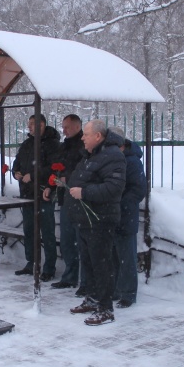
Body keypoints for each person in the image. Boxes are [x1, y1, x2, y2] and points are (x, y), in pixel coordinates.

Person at [68, 120, 126, 326]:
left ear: (98, 136)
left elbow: (114, 188)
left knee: (102, 265)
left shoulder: (113, 156)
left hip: (100, 220)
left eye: (86, 134)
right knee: (90, 263)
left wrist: (84, 192)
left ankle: (105, 308)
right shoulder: (92, 154)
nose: (82, 138)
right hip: (86, 220)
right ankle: (92, 299)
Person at [12, 114, 61, 281]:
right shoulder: (27, 144)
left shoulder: (52, 144)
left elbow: (53, 168)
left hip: (43, 194)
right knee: (29, 231)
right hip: (27, 194)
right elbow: (17, 162)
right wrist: (16, 172)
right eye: (29, 124)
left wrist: (32, 175)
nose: (30, 127)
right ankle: (31, 262)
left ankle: (49, 268)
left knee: (47, 232)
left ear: (42, 125)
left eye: (33, 124)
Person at [46, 114, 86, 290]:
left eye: (67, 127)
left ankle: (85, 280)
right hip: (65, 198)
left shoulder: (84, 146)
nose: (64, 130)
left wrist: (66, 177)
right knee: (67, 241)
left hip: (80, 199)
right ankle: (70, 277)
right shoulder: (64, 146)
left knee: (81, 241)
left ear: (78, 126)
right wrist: (52, 185)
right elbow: (56, 167)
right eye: (63, 127)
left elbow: (83, 171)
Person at [109, 127, 146, 308]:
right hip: (113, 214)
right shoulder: (114, 159)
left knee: (126, 256)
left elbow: (138, 189)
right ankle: (116, 289)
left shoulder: (132, 161)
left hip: (125, 215)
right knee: (114, 256)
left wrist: (120, 202)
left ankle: (128, 293)